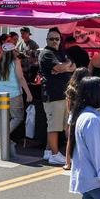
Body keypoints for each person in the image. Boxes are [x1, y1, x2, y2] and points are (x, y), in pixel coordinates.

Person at [39, 28, 73, 165]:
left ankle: (48, 151)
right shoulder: (46, 54)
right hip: (53, 95)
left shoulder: (61, 53)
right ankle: (54, 154)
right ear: (47, 40)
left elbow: (73, 66)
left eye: (57, 39)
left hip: (62, 95)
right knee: (54, 126)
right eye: (51, 39)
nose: (54, 41)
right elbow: (59, 68)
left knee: (63, 125)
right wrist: (63, 67)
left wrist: (64, 67)